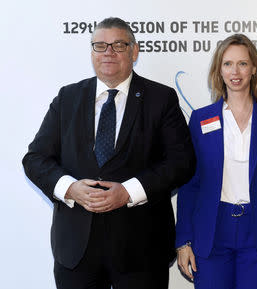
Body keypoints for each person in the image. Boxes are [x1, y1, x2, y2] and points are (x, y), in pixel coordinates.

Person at [22, 17, 195, 289]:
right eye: (100, 45)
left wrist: (129, 191)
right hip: (76, 251)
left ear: (134, 51)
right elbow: (35, 159)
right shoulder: (68, 98)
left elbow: (182, 162)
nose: (108, 52)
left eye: (118, 45)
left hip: (142, 250)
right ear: (92, 52)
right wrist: (70, 188)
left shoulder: (161, 98)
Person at [175, 34, 257, 289]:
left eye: (243, 63)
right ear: (219, 70)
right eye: (228, 64)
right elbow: (189, 186)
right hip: (211, 232)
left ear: (254, 68)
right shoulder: (200, 119)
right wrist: (184, 240)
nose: (235, 71)